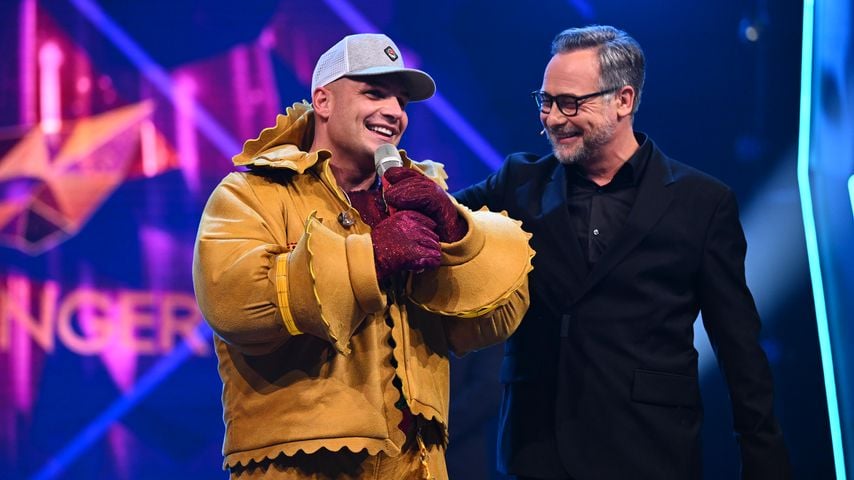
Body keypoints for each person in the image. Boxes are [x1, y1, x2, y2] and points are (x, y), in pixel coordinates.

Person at [454, 25, 791, 479]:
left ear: (624, 100)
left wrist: (763, 460)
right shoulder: (519, 181)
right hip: (538, 450)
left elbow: (739, 347)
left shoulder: (701, 202)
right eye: (546, 101)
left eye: (570, 103)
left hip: (650, 449)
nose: (552, 118)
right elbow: (440, 219)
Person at [192, 33, 534, 479]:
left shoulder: (417, 200)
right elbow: (234, 303)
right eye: (374, 92)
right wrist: (371, 257)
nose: (394, 112)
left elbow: (498, 318)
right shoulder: (251, 194)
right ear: (323, 101)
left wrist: (455, 233)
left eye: (402, 101)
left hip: (415, 465)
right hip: (300, 467)